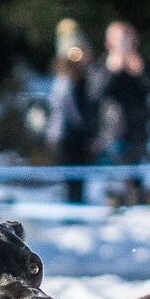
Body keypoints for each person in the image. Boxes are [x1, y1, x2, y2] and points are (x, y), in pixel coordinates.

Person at [45, 41, 101, 203]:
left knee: (80, 182)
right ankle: (72, 217)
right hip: (68, 138)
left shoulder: (87, 80)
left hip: (82, 138)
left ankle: (77, 213)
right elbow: (71, 114)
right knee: (71, 182)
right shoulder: (64, 82)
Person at [97, 19, 150, 167]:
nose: (124, 45)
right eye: (120, 40)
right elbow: (96, 96)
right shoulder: (102, 66)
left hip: (137, 134)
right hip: (111, 135)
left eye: (128, 40)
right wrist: (113, 71)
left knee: (135, 183)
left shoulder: (141, 66)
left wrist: (139, 73)